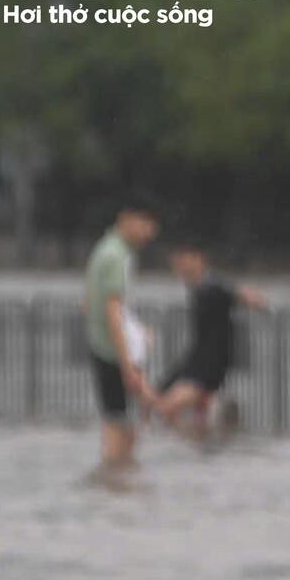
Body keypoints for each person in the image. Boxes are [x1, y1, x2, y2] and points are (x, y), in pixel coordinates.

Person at [83, 197, 163, 467]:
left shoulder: (106, 251)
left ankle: (117, 492)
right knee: (119, 428)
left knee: (123, 425)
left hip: (105, 348)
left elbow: (88, 303)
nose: (149, 234)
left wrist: (136, 332)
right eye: (146, 225)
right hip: (112, 353)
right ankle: (115, 491)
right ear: (127, 218)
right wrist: (127, 363)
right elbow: (112, 311)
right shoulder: (115, 256)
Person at [158, 244, 267, 439]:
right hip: (196, 358)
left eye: (183, 261)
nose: (179, 267)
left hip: (211, 363)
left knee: (168, 407)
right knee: (161, 394)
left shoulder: (213, 285)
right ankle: (201, 436)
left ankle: (197, 436)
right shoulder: (198, 287)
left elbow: (239, 293)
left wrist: (254, 300)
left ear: (198, 259)